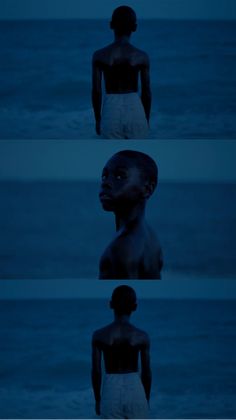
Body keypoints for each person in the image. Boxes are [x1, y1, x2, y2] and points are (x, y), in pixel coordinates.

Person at [99, 150, 163, 279]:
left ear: (147, 189)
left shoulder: (122, 247)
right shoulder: (150, 236)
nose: (106, 183)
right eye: (105, 176)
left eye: (120, 176)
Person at [91, 285, 151, 419]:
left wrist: (97, 399)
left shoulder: (99, 335)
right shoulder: (142, 336)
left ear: (110, 304)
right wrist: (146, 398)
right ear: (135, 307)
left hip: (110, 390)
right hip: (135, 389)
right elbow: (146, 373)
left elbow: (96, 371)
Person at [92, 5, 151, 139]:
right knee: (136, 153)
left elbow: (96, 91)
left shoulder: (99, 55)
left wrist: (97, 119)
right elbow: (146, 92)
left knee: (111, 152)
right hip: (135, 108)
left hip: (110, 110)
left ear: (111, 25)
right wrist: (146, 118)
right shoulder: (142, 56)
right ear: (135, 28)